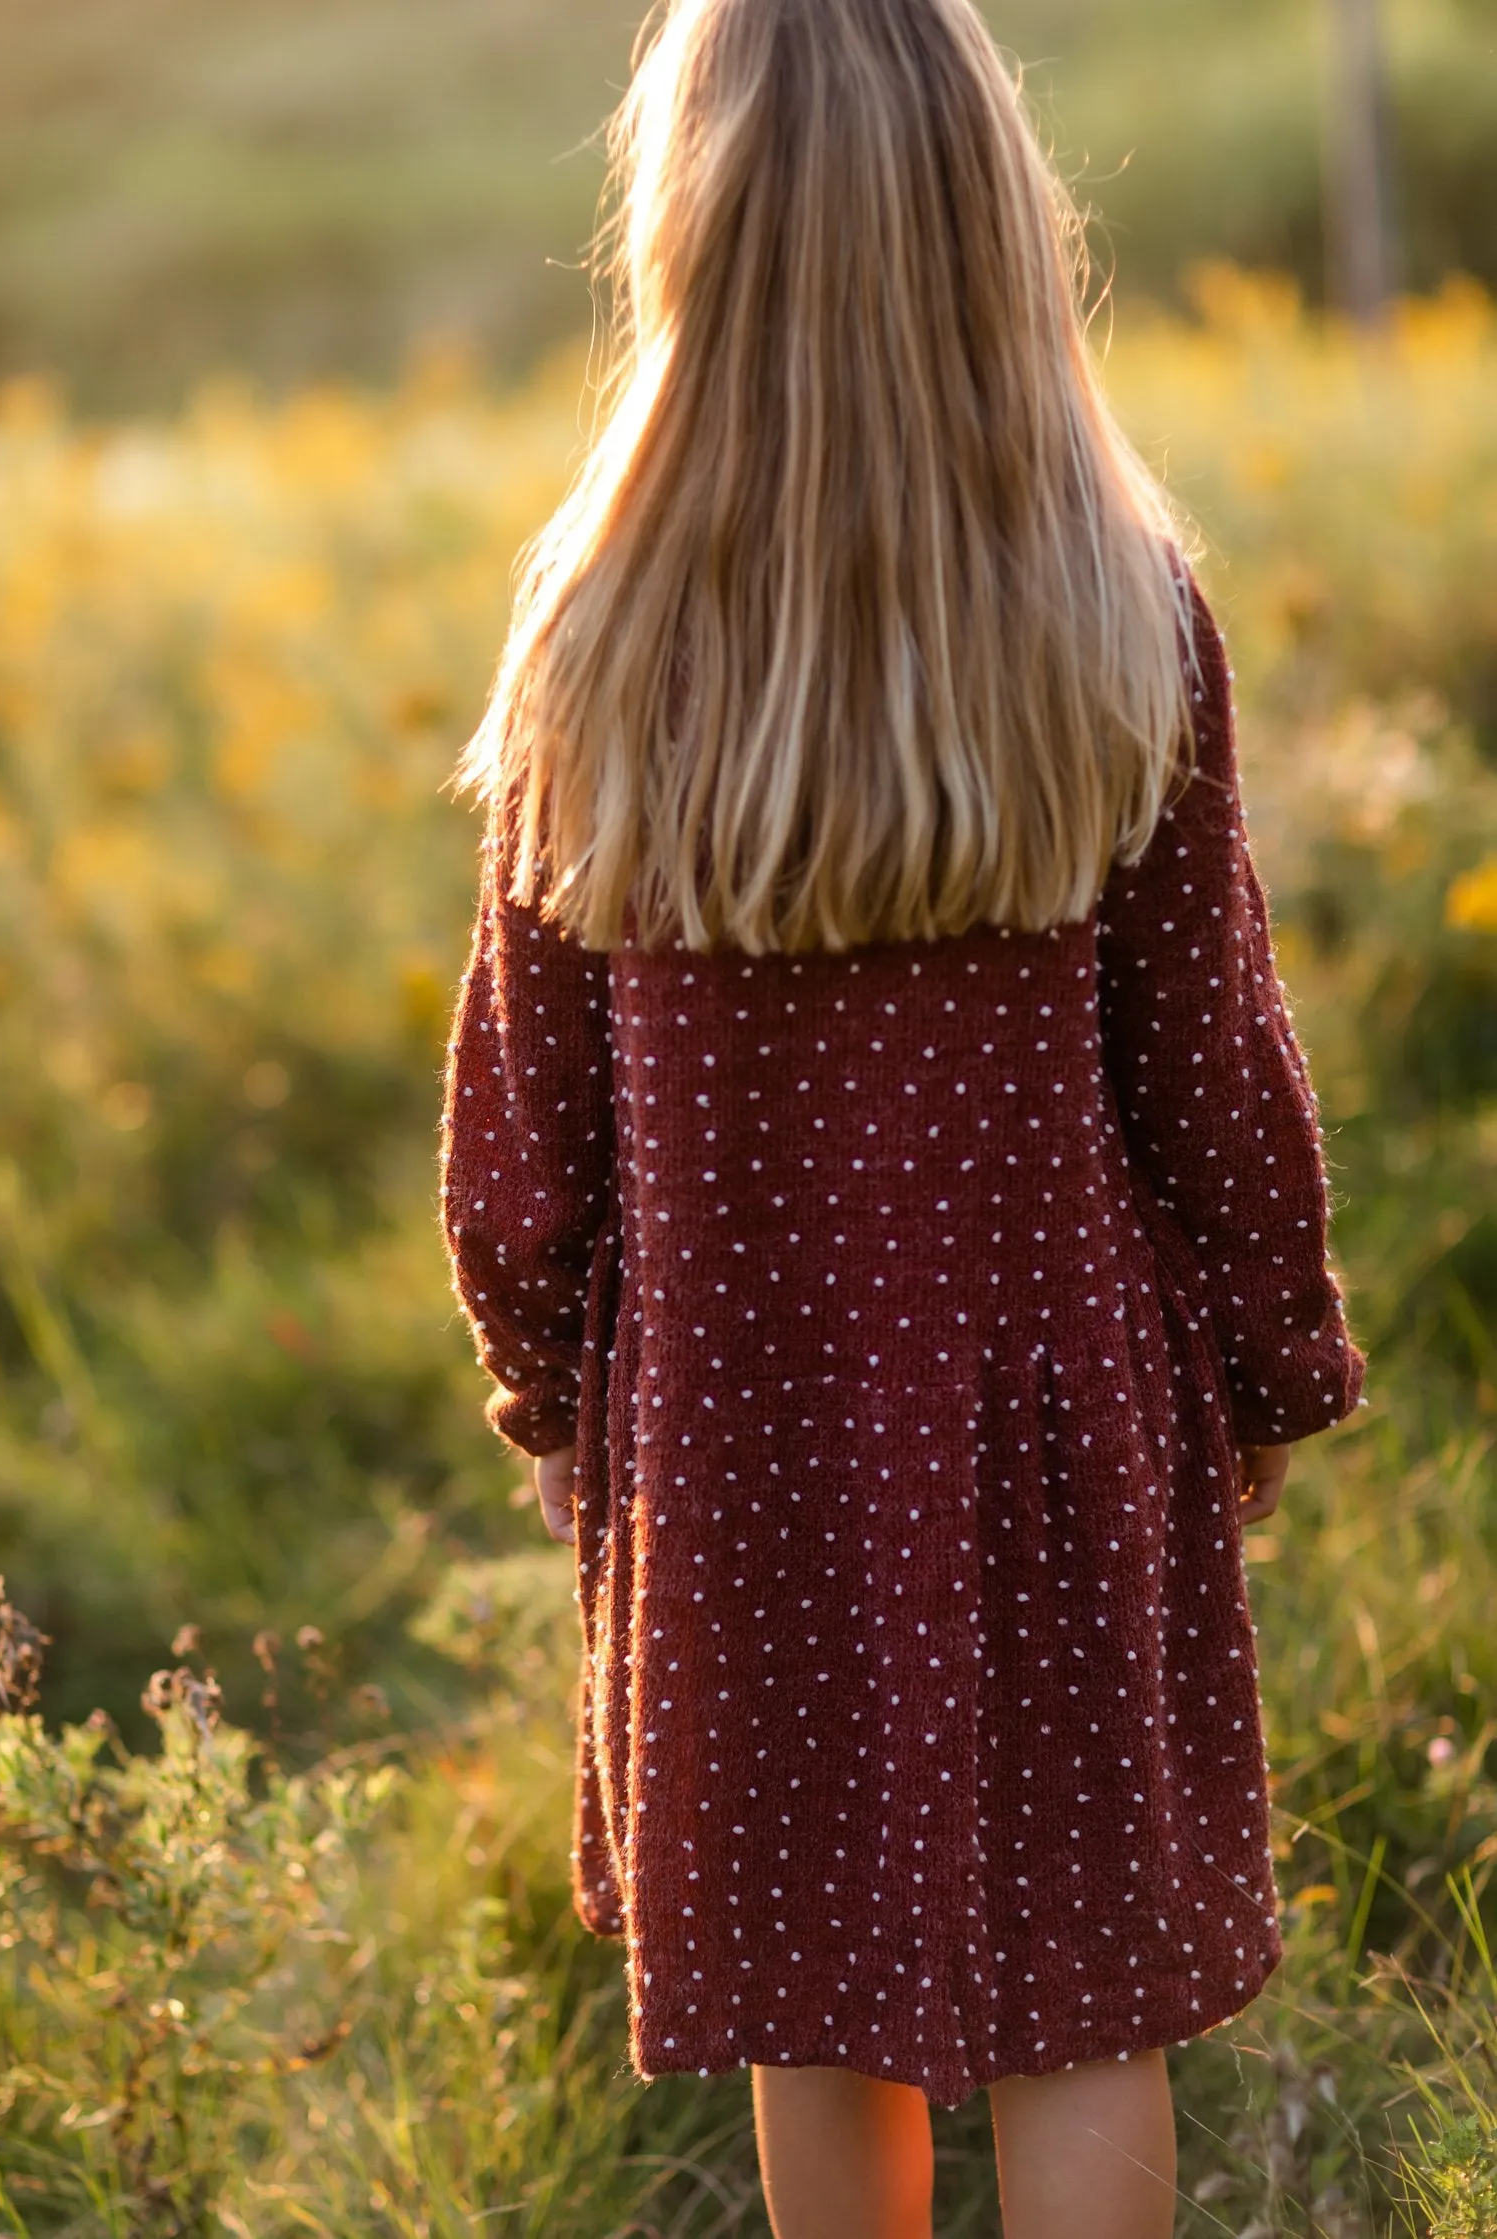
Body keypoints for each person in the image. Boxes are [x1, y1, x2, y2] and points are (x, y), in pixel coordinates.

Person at [437, 0, 1369, 2231]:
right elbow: (1207, 1048)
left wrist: (542, 1355)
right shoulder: (1113, 605)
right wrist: (1262, 1360)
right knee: (1080, 1993)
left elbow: (521, 1077)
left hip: (736, 1419)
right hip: (1053, 1408)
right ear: (991, 228)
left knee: (808, 1992)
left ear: (689, 230)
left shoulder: (595, 628)